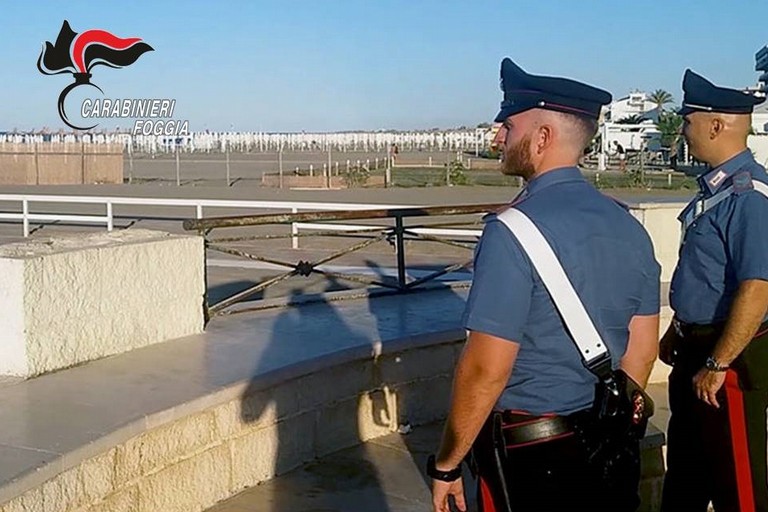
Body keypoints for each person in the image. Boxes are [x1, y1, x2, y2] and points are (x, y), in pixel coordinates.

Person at [428, 57, 661, 512]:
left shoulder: (511, 231)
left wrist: (448, 463)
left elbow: (485, 370)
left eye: (508, 127)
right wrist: (612, 428)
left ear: (542, 137)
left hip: (530, 453)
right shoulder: (628, 225)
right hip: (606, 443)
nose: (497, 137)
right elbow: (641, 350)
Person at [660, 69, 768, 512]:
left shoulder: (749, 197)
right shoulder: (716, 191)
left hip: (729, 356)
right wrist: (679, 331)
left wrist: (719, 362)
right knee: (687, 475)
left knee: (737, 483)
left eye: (688, 122)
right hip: (698, 349)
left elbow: (758, 287)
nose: (684, 131)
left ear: (716, 125)